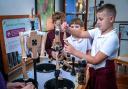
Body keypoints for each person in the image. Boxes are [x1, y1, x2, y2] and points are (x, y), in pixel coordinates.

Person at [64, 4, 119, 89]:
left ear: (111, 19)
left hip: (104, 75)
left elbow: (95, 60)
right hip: (94, 71)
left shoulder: (112, 38)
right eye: (97, 19)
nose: (97, 22)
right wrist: (67, 28)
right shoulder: (98, 31)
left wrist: (74, 51)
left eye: (101, 19)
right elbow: (80, 33)